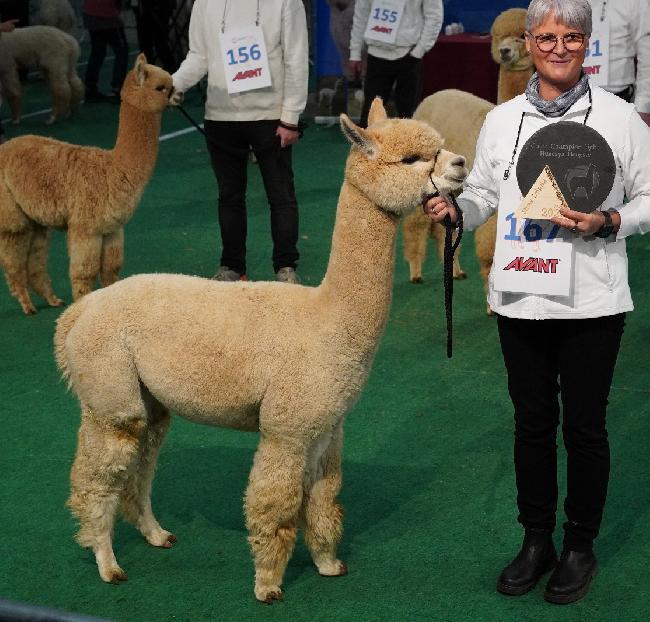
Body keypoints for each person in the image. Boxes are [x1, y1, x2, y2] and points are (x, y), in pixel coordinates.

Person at [425, 0, 650, 605]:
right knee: (531, 424)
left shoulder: (620, 118)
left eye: (571, 37)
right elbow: (482, 194)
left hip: (592, 301)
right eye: (546, 37)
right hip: (521, 295)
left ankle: (580, 546)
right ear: (528, 42)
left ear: (587, 43)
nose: (558, 48)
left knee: (584, 427)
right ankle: (536, 540)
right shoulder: (502, 121)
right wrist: (456, 210)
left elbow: (649, 198)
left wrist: (609, 220)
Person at [171, 0, 308, 283]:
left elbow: (295, 57)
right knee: (229, 197)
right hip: (220, 116)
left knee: (281, 196)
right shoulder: (204, 3)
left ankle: (285, 267)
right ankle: (232, 266)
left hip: (270, 117)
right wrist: (170, 85)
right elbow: (198, 56)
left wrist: (290, 117)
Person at [348, 0, 443, 127]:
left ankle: (409, 140)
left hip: (409, 54)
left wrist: (419, 51)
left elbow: (434, 16)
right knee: (370, 114)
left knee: (408, 113)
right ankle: (367, 140)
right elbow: (361, 15)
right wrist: (355, 53)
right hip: (376, 54)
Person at [586, 0, 650, 125]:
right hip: (570, 102)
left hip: (620, 103)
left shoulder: (635, 3)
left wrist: (644, 107)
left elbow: (647, 55)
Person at [82, 0, 129, 102]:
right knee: (121, 52)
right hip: (108, 15)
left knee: (97, 52)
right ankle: (117, 88)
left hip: (90, 13)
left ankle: (90, 88)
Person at [131, 0, 177, 73]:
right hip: (146, 12)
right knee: (149, 47)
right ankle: (154, 71)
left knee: (159, 45)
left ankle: (171, 69)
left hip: (156, 11)